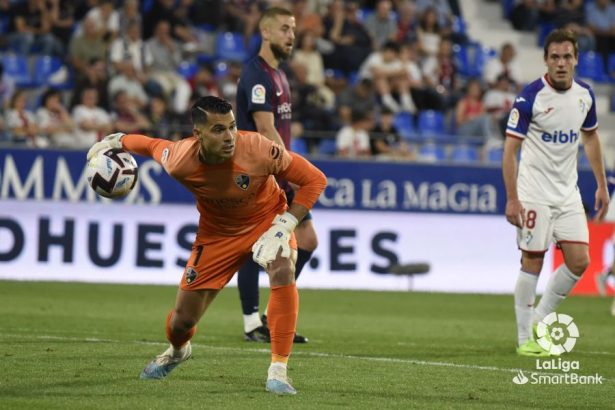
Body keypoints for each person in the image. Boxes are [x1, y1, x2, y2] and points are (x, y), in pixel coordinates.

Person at [86, 96, 327, 394]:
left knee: (282, 269)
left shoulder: (259, 148)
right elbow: (149, 145)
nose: (229, 137)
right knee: (181, 321)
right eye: (218, 130)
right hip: (217, 235)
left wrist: (285, 224)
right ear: (198, 134)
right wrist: (118, 140)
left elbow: (315, 180)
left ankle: (279, 370)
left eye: (232, 127)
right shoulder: (179, 160)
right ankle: (177, 352)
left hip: (268, 221)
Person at [502, 29, 609, 357]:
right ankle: (523, 340)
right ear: (546, 60)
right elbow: (509, 152)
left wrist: (603, 184)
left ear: (576, 59)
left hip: (567, 194)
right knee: (532, 261)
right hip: (534, 193)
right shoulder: (530, 97)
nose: (561, 63)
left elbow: (590, 139)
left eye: (567, 57)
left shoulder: (585, 95)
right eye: (555, 57)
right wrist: (512, 197)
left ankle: (540, 316)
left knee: (580, 261)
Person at [235, 6, 318, 343]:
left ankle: (270, 314)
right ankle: (251, 322)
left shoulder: (280, 75)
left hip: (281, 173)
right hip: (261, 175)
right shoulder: (256, 74)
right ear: (266, 32)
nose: (291, 35)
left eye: (293, 29)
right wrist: (292, 168)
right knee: (254, 248)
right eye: (284, 29)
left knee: (308, 240)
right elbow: (265, 127)